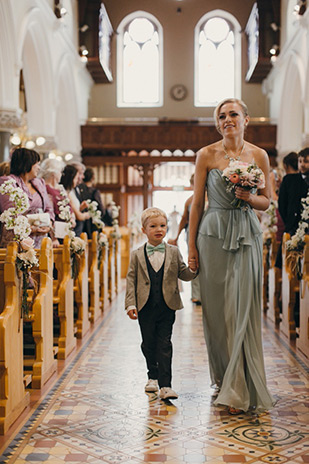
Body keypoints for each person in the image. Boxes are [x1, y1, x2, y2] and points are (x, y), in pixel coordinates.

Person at [188, 98, 274, 414]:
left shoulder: (259, 155)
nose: (227, 120)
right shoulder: (206, 155)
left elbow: (269, 202)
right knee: (217, 313)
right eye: (221, 116)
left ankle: (240, 387)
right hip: (212, 235)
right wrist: (191, 246)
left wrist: (250, 197)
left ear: (246, 119)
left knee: (244, 309)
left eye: (233, 114)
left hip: (247, 235)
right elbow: (197, 204)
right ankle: (225, 377)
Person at [125, 207, 196, 400]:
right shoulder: (136, 254)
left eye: (163, 226)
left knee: (165, 344)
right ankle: (152, 377)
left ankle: (166, 385)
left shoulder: (174, 252)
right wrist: (130, 304)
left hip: (167, 306)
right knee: (148, 344)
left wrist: (194, 268)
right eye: (153, 226)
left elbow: (184, 274)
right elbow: (131, 280)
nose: (159, 229)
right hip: (145, 306)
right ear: (144, 230)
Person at [0, 147, 54, 248]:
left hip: (40, 239)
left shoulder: (40, 183)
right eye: (37, 164)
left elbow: (48, 208)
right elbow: (10, 213)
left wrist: (49, 224)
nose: (39, 168)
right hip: (18, 238)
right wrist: (32, 228)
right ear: (27, 163)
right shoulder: (8, 182)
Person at [169, 174, 201, 304]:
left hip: (209, 234)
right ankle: (196, 294)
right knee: (194, 262)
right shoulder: (189, 200)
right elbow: (184, 220)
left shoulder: (210, 198)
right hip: (192, 235)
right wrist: (176, 237)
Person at [276, 148, 309, 268]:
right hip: (293, 227)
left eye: (306, 161)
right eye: (300, 161)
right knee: (291, 264)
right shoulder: (290, 180)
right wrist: (290, 222)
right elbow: (282, 204)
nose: (302, 165)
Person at [60, 164, 90, 235]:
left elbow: (73, 210)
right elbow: (78, 216)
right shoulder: (65, 193)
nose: (77, 181)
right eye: (76, 178)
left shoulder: (71, 191)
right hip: (71, 229)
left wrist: (81, 208)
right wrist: (87, 214)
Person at [79, 167, 105, 237]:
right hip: (92, 224)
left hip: (81, 223)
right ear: (93, 177)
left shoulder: (79, 190)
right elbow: (101, 210)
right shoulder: (94, 192)